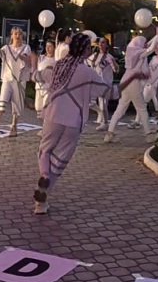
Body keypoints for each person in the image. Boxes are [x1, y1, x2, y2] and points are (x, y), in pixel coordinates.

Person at [32, 33, 109, 215]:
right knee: (60, 159)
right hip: (73, 120)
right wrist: (130, 79)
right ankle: (42, 198)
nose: (92, 50)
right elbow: (108, 91)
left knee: (44, 150)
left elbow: (37, 76)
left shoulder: (59, 66)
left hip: (53, 115)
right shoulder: (87, 72)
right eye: (90, 48)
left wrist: (34, 65)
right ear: (83, 50)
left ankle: (43, 175)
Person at [103, 26, 158, 141]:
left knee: (120, 108)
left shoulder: (132, 51)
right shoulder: (140, 54)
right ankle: (148, 135)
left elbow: (147, 45)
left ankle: (109, 134)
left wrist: (156, 36)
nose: (145, 44)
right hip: (134, 82)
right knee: (142, 108)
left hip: (125, 80)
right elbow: (150, 49)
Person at [0, 27, 34, 137]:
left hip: (19, 80)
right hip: (7, 79)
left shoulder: (26, 48)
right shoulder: (6, 48)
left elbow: (28, 62)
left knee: (17, 105)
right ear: (12, 36)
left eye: (20, 34)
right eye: (15, 34)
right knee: (1, 102)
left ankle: (14, 127)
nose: (18, 36)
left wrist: (23, 58)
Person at [87, 38, 118, 126]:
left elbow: (116, 70)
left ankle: (104, 123)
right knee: (89, 102)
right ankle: (100, 113)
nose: (101, 44)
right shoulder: (94, 56)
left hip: (105, 84)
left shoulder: (109, 57)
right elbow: (86, 62)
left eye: (103, 42)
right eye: (100, 42)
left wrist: (114, 63)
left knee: (103, 104)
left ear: (107, 45)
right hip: (95, 83)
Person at [34, 41, 56, 112]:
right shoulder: (41, 58)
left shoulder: (56, 60)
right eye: (46, 46)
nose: (48, 48)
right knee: (38, 107)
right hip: (39, 86)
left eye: (50, 46)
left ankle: (46, 122)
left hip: (48, 87)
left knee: (45, 107)